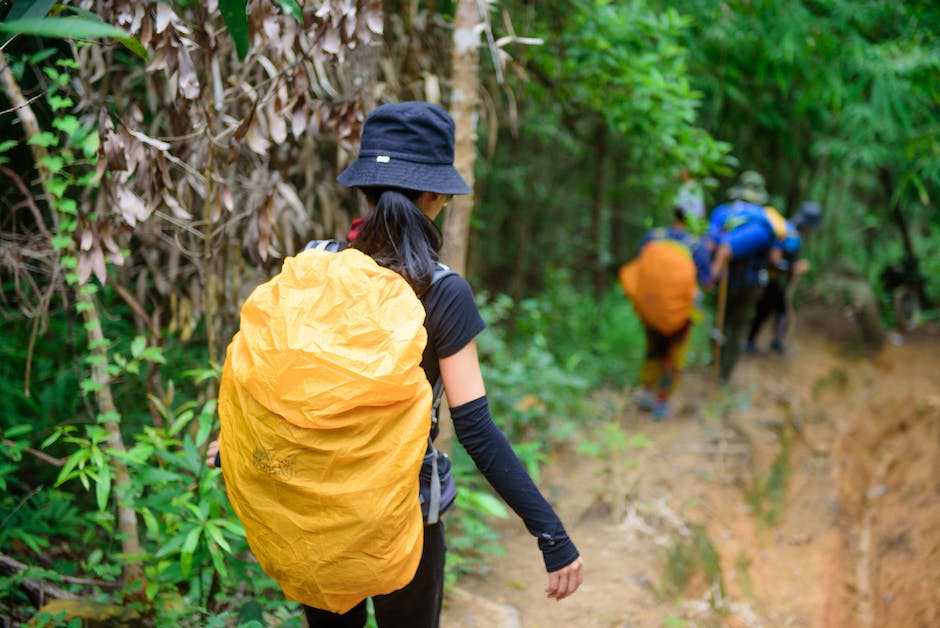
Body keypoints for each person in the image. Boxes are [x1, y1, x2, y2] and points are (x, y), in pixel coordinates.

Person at [209, 101, 582, 627]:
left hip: (312, 507)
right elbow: (474, 429)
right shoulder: (442, 290)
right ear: (436, 196)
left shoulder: (315, 264)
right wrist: (551, 535)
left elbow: (262, 372)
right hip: (404, 513)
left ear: (365, 189)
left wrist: (231, 438)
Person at [620, 202, 712, 420]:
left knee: (653, 348)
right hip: (681, 315)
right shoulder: (697, 246)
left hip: (651, 308)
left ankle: (646, 392)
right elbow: (706, 283)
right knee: (675, 353)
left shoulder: (653, 236)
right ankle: (662, 400)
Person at [706, 170, 780, 384]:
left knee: (720, 321)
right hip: (749, 283)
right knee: (736, 326)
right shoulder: (766, 220)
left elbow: (711, 243)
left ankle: (715, 362)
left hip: (723, 280)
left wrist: (712, 273)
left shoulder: (722, 213)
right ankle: (724, 375)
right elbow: (774, 256)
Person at [745, 201, 822, 354]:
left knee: (767, 310)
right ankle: (772, 342)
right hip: (772, 280)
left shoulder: (786, 228)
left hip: (770, 279)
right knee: (777, 311)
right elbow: (775, 260)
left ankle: (756, 342)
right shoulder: (792, 237)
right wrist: (794, 267)